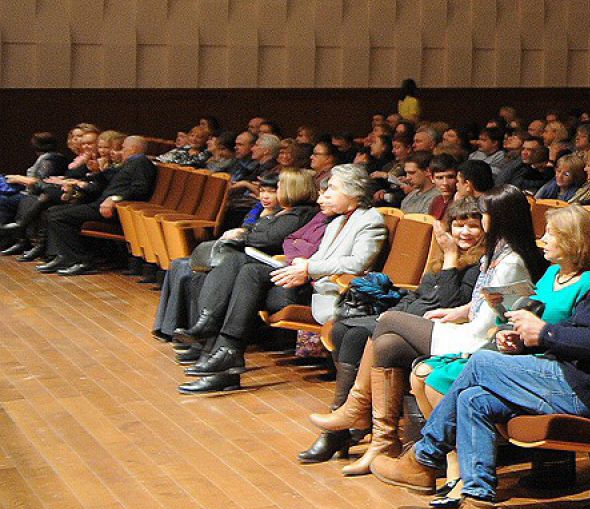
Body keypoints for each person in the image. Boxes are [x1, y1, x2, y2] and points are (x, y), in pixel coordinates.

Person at [370, 209, 590, 509]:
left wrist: (545, 334)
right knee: (475, 400)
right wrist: (528, 337)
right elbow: (587, 331)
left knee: (483, 363)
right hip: (577, 376)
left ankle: (425, 457)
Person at [303, 197, 487, 470]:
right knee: (345, 329)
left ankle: (346, 422)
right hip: (411, 321)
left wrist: (450, 258)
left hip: (444, 332)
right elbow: (420, 296)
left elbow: (451, 302)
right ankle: (373, 435)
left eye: (473, 226)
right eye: (459, 225)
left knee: (362, 335)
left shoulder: (477, 265)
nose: (464, 232)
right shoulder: (441, 261)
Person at [177, 166, 388, 395]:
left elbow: (358, 263)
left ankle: (222, 352)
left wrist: (308, 268)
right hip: (308, 282)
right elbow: (318, 256)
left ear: (354, 192)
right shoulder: (338, 221)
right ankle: (226, 356)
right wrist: (298, 266)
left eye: (332, 189)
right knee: (243, 268)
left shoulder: (370, 220)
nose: (325, 195)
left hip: (330, 293)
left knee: (249, 276)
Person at [416, 202, 590, 405]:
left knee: (436, 379)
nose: (543, 240)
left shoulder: (589, 283)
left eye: (551, 234)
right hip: (514, 347)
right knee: (420, 375)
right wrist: (501, 309)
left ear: (570, 239)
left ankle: (447, 437)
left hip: (542, 360)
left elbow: (571, 335)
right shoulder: (552, 273)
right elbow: (521, 313)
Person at [157, 169, 318, 343]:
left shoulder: (300, 213)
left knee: (212, 269)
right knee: (182, 266)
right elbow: (256, 230)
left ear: (291, 189)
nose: (275, 192)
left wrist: (242, 236)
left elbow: (269, 238)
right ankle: (180, 330)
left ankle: (206, 332)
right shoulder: (281, 212)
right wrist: (243, 232)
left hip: (266, 261)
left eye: (277, 187)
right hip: (250, 256)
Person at [38, 133, 157, 276]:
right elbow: (108, 181)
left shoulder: (140, 161)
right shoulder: (131, 163)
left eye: (123, 148)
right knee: (53, 212)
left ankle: (82, 261)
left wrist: (114, 199)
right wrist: (97, 171)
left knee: (59, 217)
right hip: (101, 205)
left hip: (116, 210)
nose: (121, 151)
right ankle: (64, 256)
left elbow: (140, 189)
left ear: (133, 149)